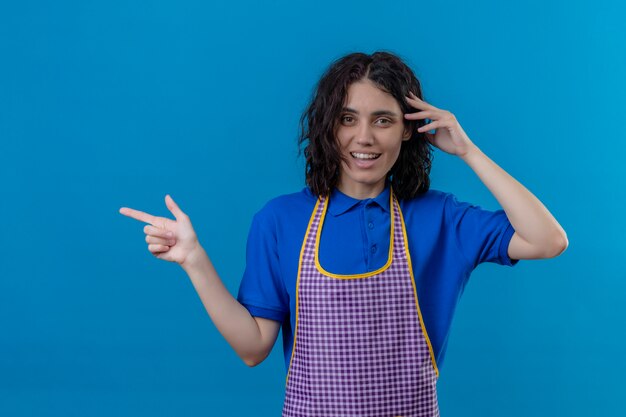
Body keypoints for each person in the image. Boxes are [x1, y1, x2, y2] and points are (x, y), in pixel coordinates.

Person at [119, 51, 568, 416]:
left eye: (383, 120)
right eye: (348, 119)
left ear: (410, 129)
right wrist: (194, 261)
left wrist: (467, 150)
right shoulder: (280, 220)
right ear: (328, 126)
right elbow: (253, 348)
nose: (364, 137)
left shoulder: (441, 219)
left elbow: (548, 240)